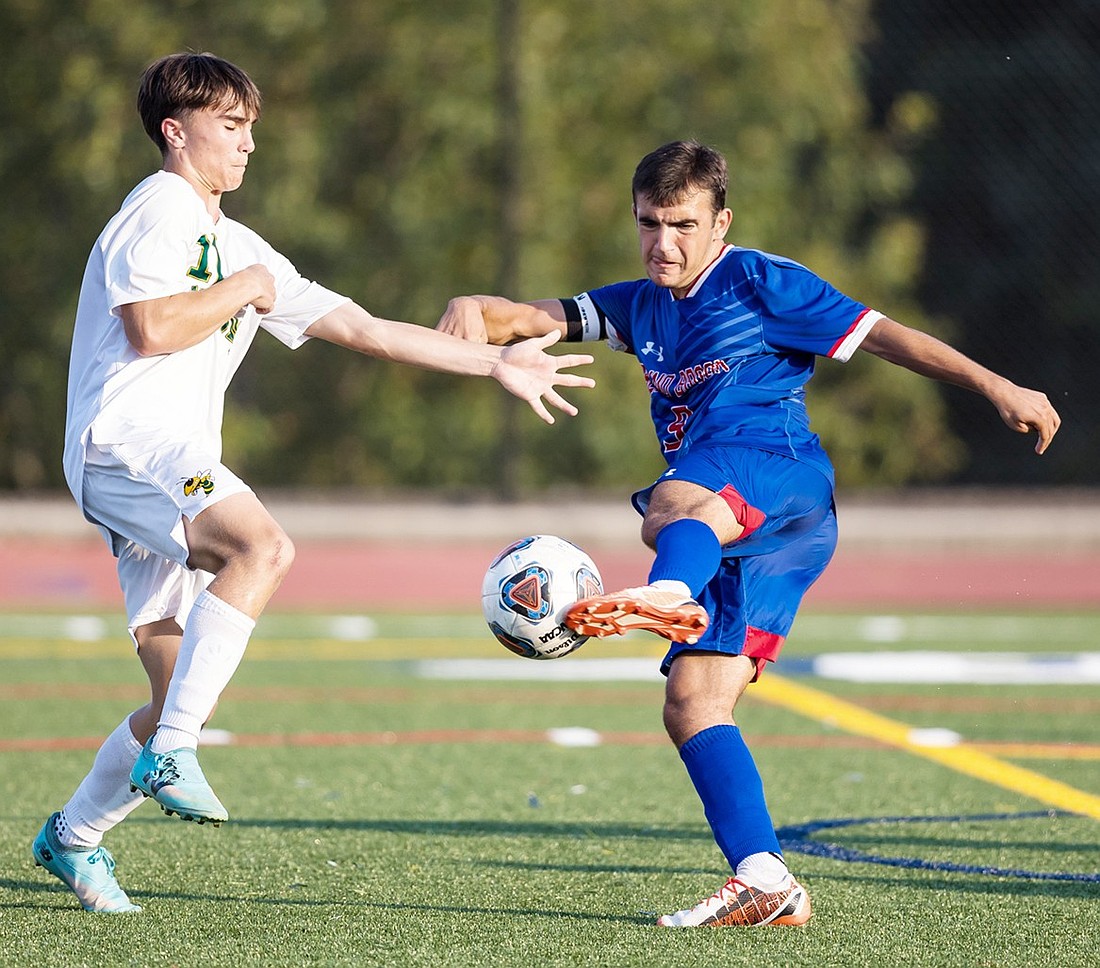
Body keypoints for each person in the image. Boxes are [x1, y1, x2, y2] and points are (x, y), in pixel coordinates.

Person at [436, 139, 1061, 928]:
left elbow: (890, 338)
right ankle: (767, 879)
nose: (664, 243)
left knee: (673, 507)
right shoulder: (640, 303)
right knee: (692, 703)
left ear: (721, 222)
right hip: (773, 534)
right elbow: (532, 318)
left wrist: (996, 385)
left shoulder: (761, 281)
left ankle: (668, 592)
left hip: (780, 470)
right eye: (649, 224)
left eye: (683, 225)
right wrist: (473, 311)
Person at [33, 51, 594, 915]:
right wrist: (243, 289)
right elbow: (149, 328)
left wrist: (494, 364)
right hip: (127, 447)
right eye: (231, 125)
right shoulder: (160, 210)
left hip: (161, 460)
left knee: (171, 688)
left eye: (252, 126)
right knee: (263, 547)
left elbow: (365, 329)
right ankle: (177, 747)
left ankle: (72, 837)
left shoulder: (240, 242)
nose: (250, 143)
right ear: (175, 134)